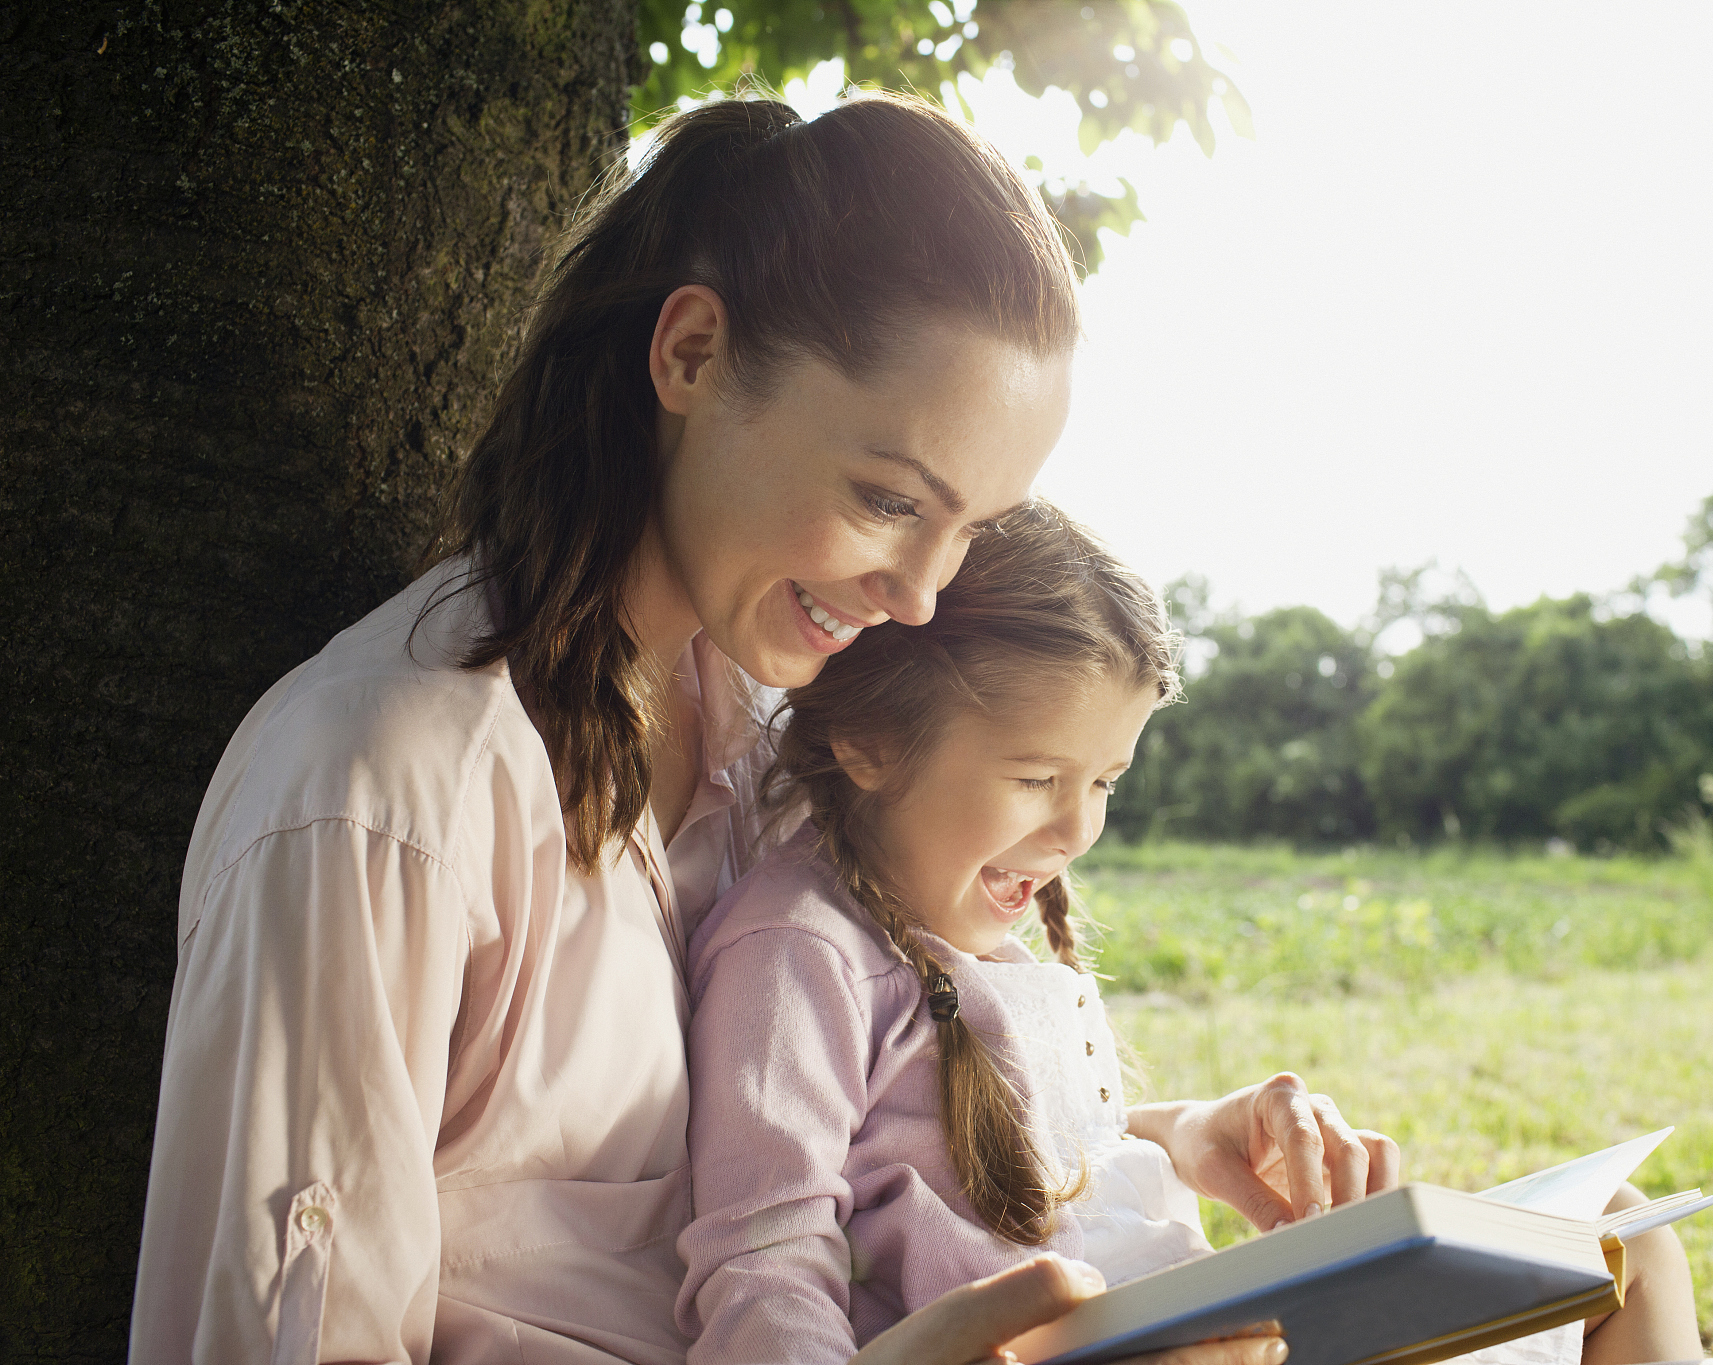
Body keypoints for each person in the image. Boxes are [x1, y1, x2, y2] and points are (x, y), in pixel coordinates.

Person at [128, 91, 1369, 1364]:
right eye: (888, 499)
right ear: (691, 355)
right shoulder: (382, 794)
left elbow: (826, 1131)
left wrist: (1166, 1141)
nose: (922, 595)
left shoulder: (785, 732)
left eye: (972, 531)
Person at [677, 505, 1705, 1365]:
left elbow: (999, 1160)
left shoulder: (965, 929)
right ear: (865, 739)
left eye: (1104, 783)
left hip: (1214, 1330)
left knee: (1619, 1229)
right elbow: (763, 1259)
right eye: (1036, 779)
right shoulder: (798, 952)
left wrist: (1183, 1126)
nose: (1078, 829)